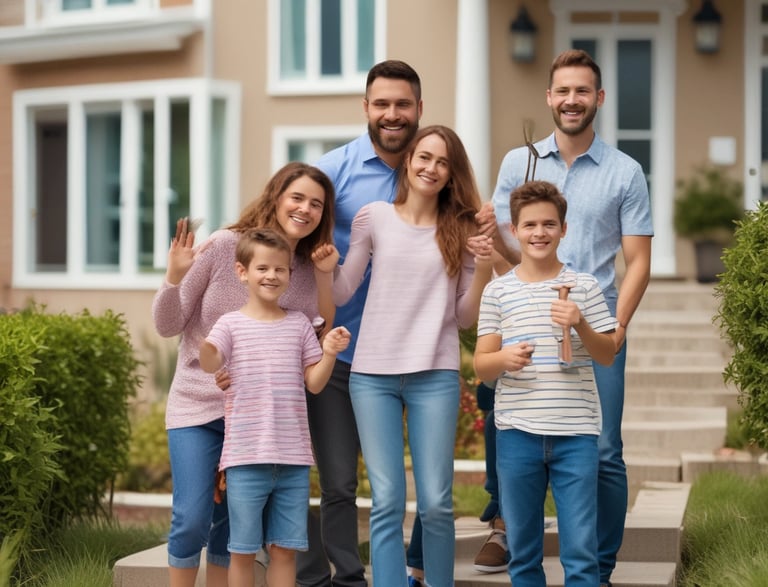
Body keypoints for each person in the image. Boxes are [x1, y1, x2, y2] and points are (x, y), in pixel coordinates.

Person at [299, 59, 496, 587]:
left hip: (433, 373)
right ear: (409, 162)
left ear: (452, 173)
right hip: (370, 372)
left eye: (441, 162)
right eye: (423, 158)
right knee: (385, 499)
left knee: (435, 501)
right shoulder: (373, 217)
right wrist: (322, 272)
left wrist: (487, 266)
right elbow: (340, 292)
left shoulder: (460, 228)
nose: (430, 167)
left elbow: (463, 315)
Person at [491, 49, 653, 586]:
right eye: (562, 91)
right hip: (526, 330)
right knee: (516, 438)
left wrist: (617, 326)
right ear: (549, 97)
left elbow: (639, 261)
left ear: (598, 99)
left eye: (582, 91)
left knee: (604, 450)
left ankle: (598, 569)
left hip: (596, 325)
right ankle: (507, 534)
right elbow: (502, 241)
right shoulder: (520, 163)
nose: (571, 100)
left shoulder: (625, 171)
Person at [152, 161, 337, 587]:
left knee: (230, 527)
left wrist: (325, 278)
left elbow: (316, 330)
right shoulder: (223, 247)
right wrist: (173, 278)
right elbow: (168, 324)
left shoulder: (304, 268)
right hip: (199, 407)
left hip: (256, 418)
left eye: (316, 204)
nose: (305, 210)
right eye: (297, 198)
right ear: (276, 196)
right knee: (192, 516)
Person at [476, 179, 617, 585]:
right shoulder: (498, 292)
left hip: (576, 436)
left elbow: (607, 354)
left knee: (580, 554)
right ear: (514, 230)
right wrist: (504, 359)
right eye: (530, 225)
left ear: (564, 229)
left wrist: (581, 324)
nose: (540, 233)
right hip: (517, 433)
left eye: (549, 224)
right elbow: (482, 367)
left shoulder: (585, 287)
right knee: (523, 553)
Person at [199, 228, 351, 587]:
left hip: (293, 461)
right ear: (242, 272)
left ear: (289, 274)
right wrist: (208, 354)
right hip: (245, 460)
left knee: (284, 550)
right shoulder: (230, 325)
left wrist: (329, 352)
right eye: (262, 268)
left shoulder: (299, 324)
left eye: (279, 269)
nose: (271, 276)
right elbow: (211, 359)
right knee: (243, 550)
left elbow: (314, 382)